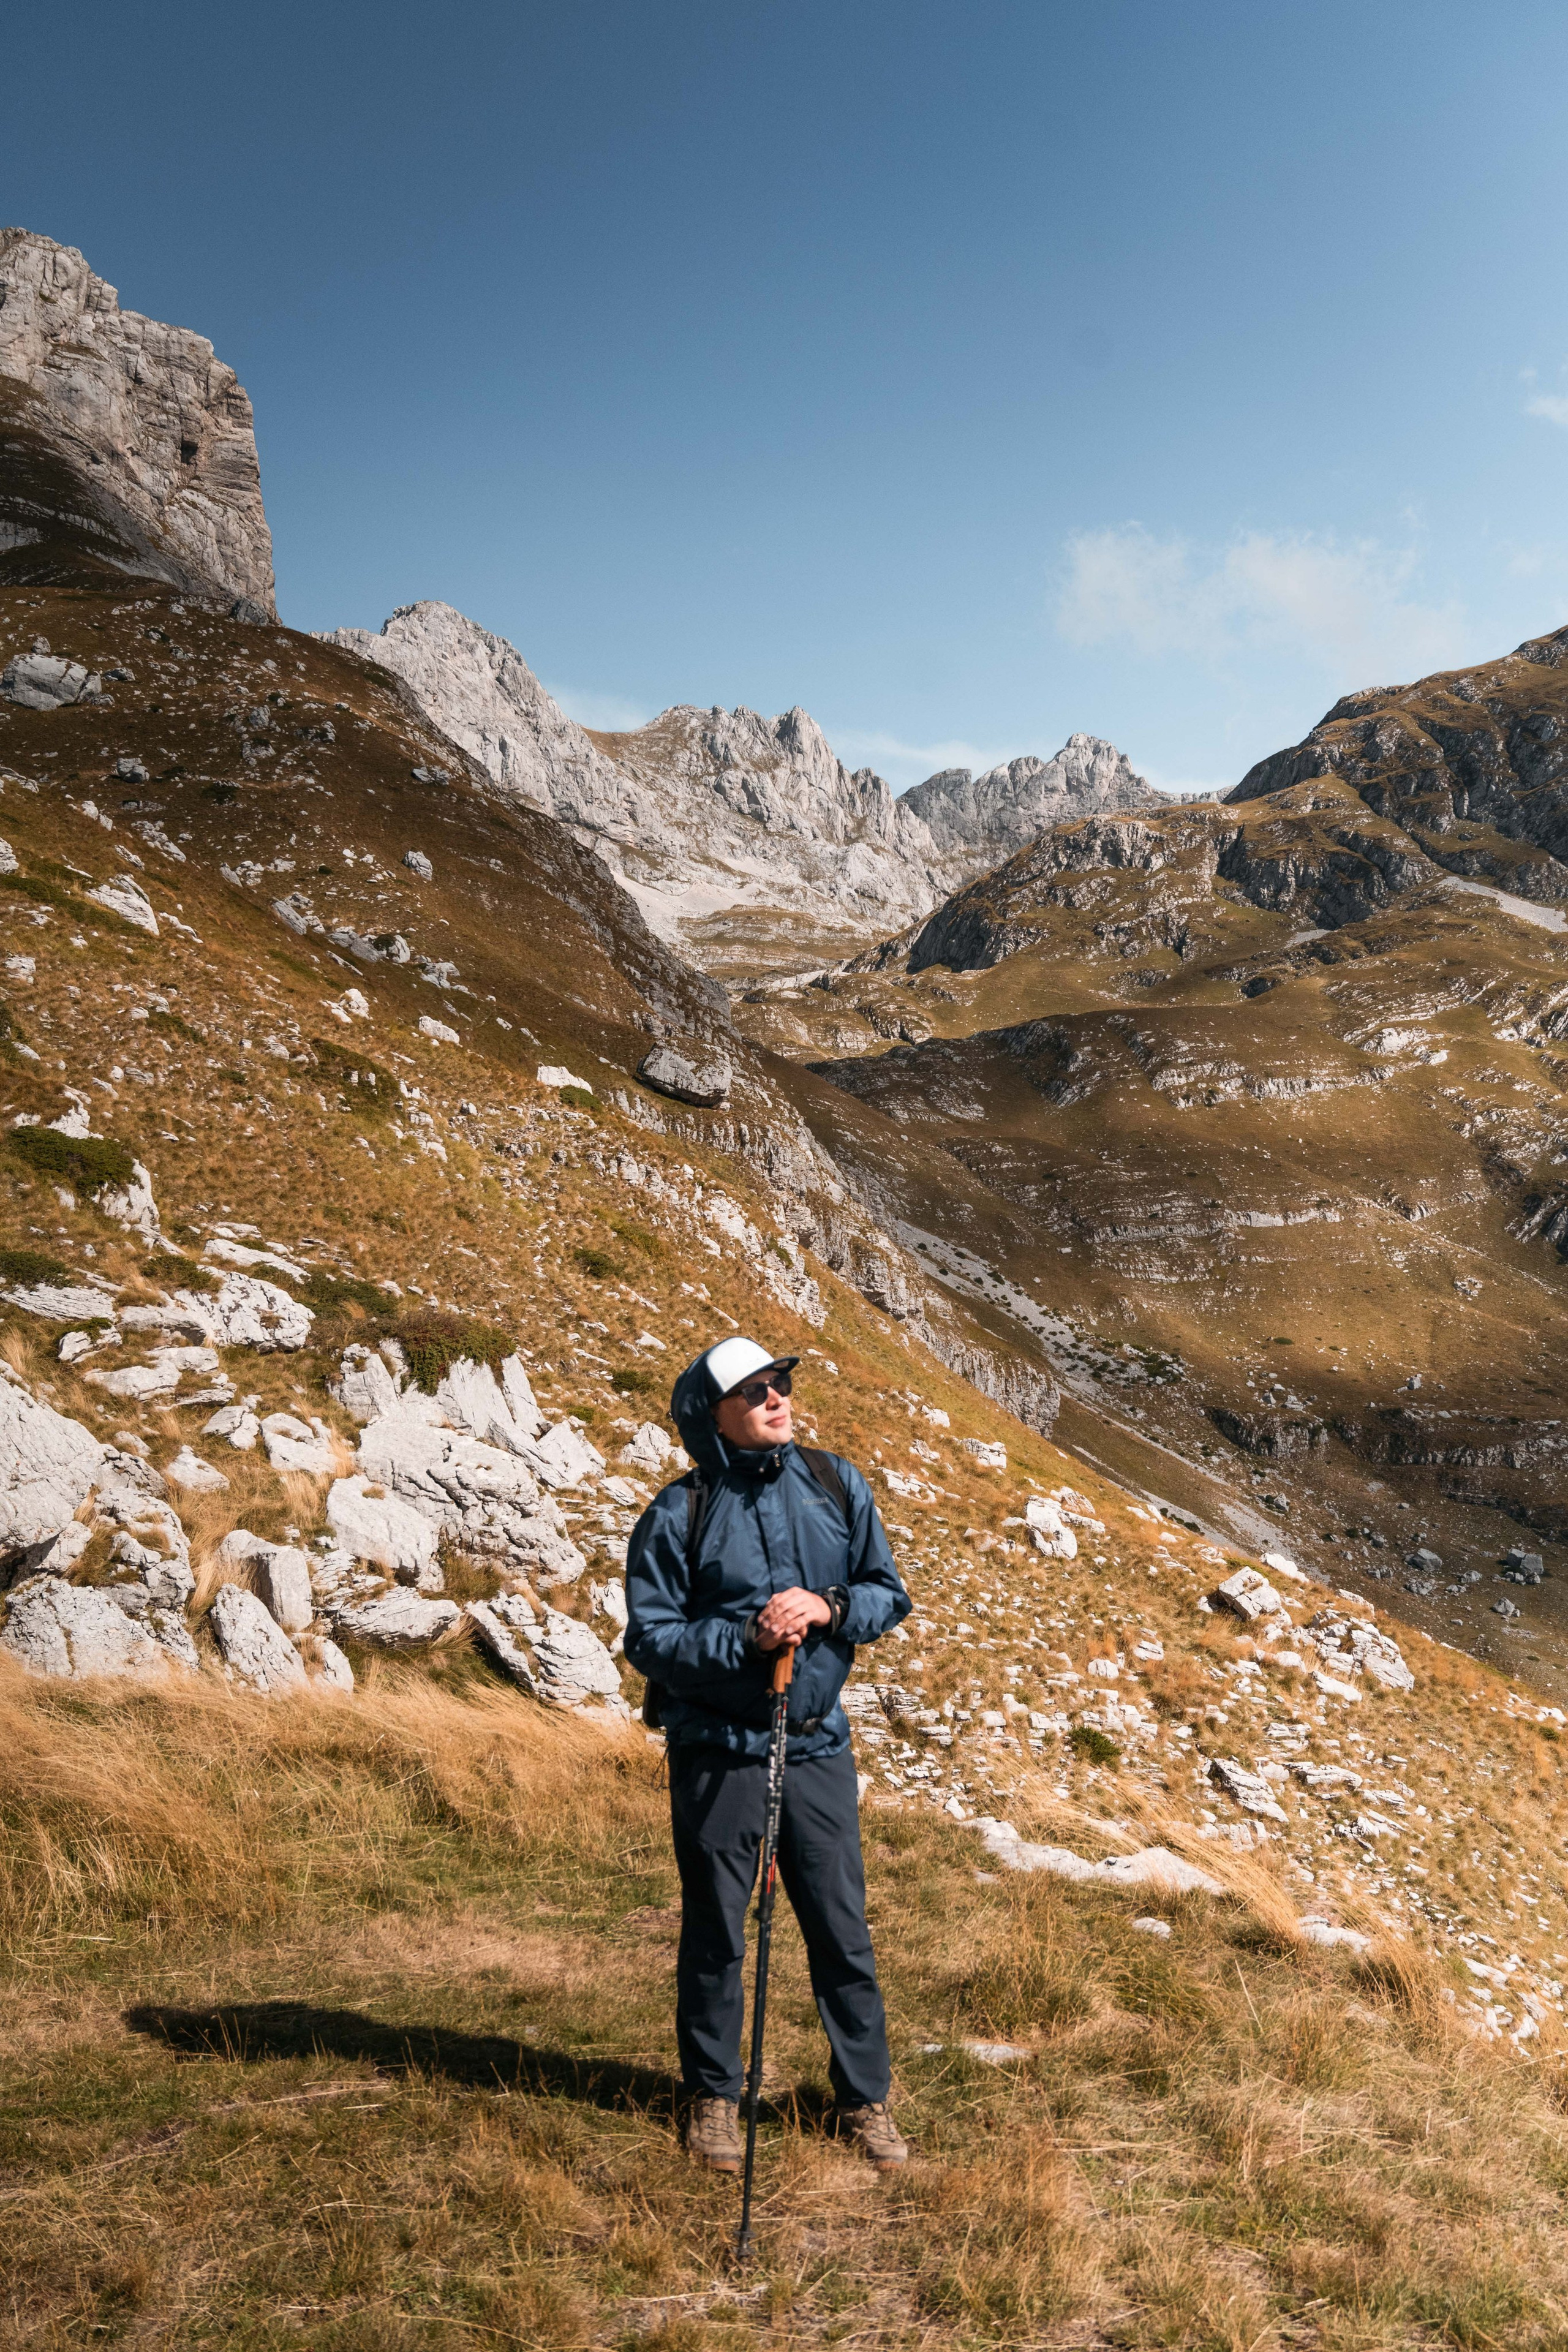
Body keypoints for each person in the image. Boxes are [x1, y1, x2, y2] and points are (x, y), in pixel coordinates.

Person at [624, 1335, 913, 2174]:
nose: (777, 1399)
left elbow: (886, 1593)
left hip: (816, 1745)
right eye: (754, 1393)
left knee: (841, 1929)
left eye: (779, 1383)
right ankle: (714, 2098)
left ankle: (863, 2101)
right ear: (711, 1417)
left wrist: (827, 1607)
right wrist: (746, 1637)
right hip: (717, 1751)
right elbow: (651, 1639)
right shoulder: (679, 1512)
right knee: (718, 1931)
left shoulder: (835, 1483)